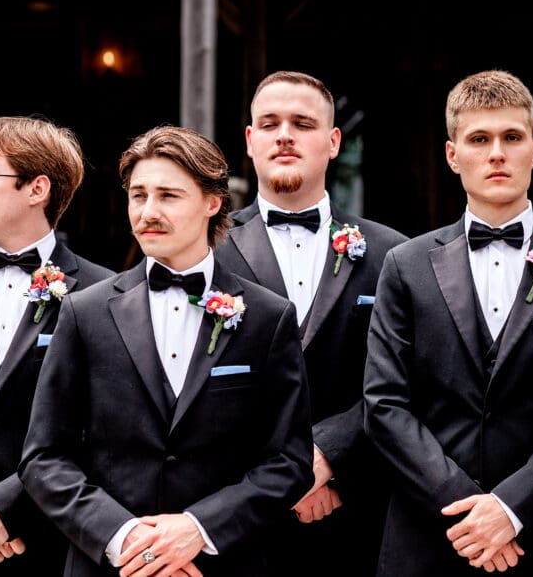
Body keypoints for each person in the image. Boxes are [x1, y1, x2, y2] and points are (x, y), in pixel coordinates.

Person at [19, 125, 313, 577]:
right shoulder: (83, 312)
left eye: (168, 196)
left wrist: (199, 528)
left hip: (223, 563)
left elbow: (289, 462)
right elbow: (44, 457)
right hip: (109, 565)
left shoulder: (269, 317)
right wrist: (126, 539)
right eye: (139, 195)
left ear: (212, 203)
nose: (148, 212)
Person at [363, 69, 533, 576]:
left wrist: (510, 508)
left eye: (511, 137)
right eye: (479, 139)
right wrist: (467, 506)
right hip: (429, 533)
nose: (497, 153)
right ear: (452, 154)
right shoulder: (406, 265)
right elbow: (385, 405)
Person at [214, 70, 407, 575]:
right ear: (251, 141)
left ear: (333, 141)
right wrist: (281, 474)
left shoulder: (394, 254)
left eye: (302, 123)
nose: (285, 134)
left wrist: (329, 460)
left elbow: (404, 382)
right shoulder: (205, 253)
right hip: (237, 516)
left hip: (358, 509)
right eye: (270, 123)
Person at [0, 116, 113, 574]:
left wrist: (5, 510)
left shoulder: (107, 295)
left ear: (37, 189)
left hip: (56, 544)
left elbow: (107, 431)